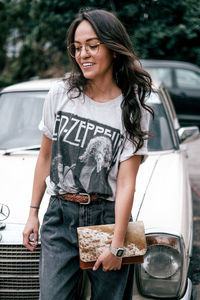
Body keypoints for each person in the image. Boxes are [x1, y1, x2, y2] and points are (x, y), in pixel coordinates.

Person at [23, 8, 153, 300]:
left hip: (107, 218)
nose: (83, 54)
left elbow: (126, 182)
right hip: (60, 214)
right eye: (77, 47)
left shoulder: (132, 108)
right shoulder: (60, 93)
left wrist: (117, 244)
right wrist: (33, 213)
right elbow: (45, 157)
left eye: (93, 46)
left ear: (113, 48)